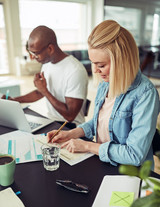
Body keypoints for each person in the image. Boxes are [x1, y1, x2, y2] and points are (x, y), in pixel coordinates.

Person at [47, 20, 160, 169]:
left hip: (131, 173)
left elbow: (134, 154)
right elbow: (99, 121)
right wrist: (71, 134)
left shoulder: (145, 94)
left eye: (100, 65)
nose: (95, 71)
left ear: (122, 62)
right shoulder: (105, 83)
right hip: (104, 162)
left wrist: (87, 146)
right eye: (93, 63)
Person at [2, 26, 88, 128]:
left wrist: (45, 91)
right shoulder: (47, 64)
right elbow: (40, 92)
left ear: (50, 49)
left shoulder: (75, 70)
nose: (32, 57)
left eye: (35, 53)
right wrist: (15, 100)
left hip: (70, 127)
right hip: (52, 121)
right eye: (31, 53)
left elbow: (70, 116)